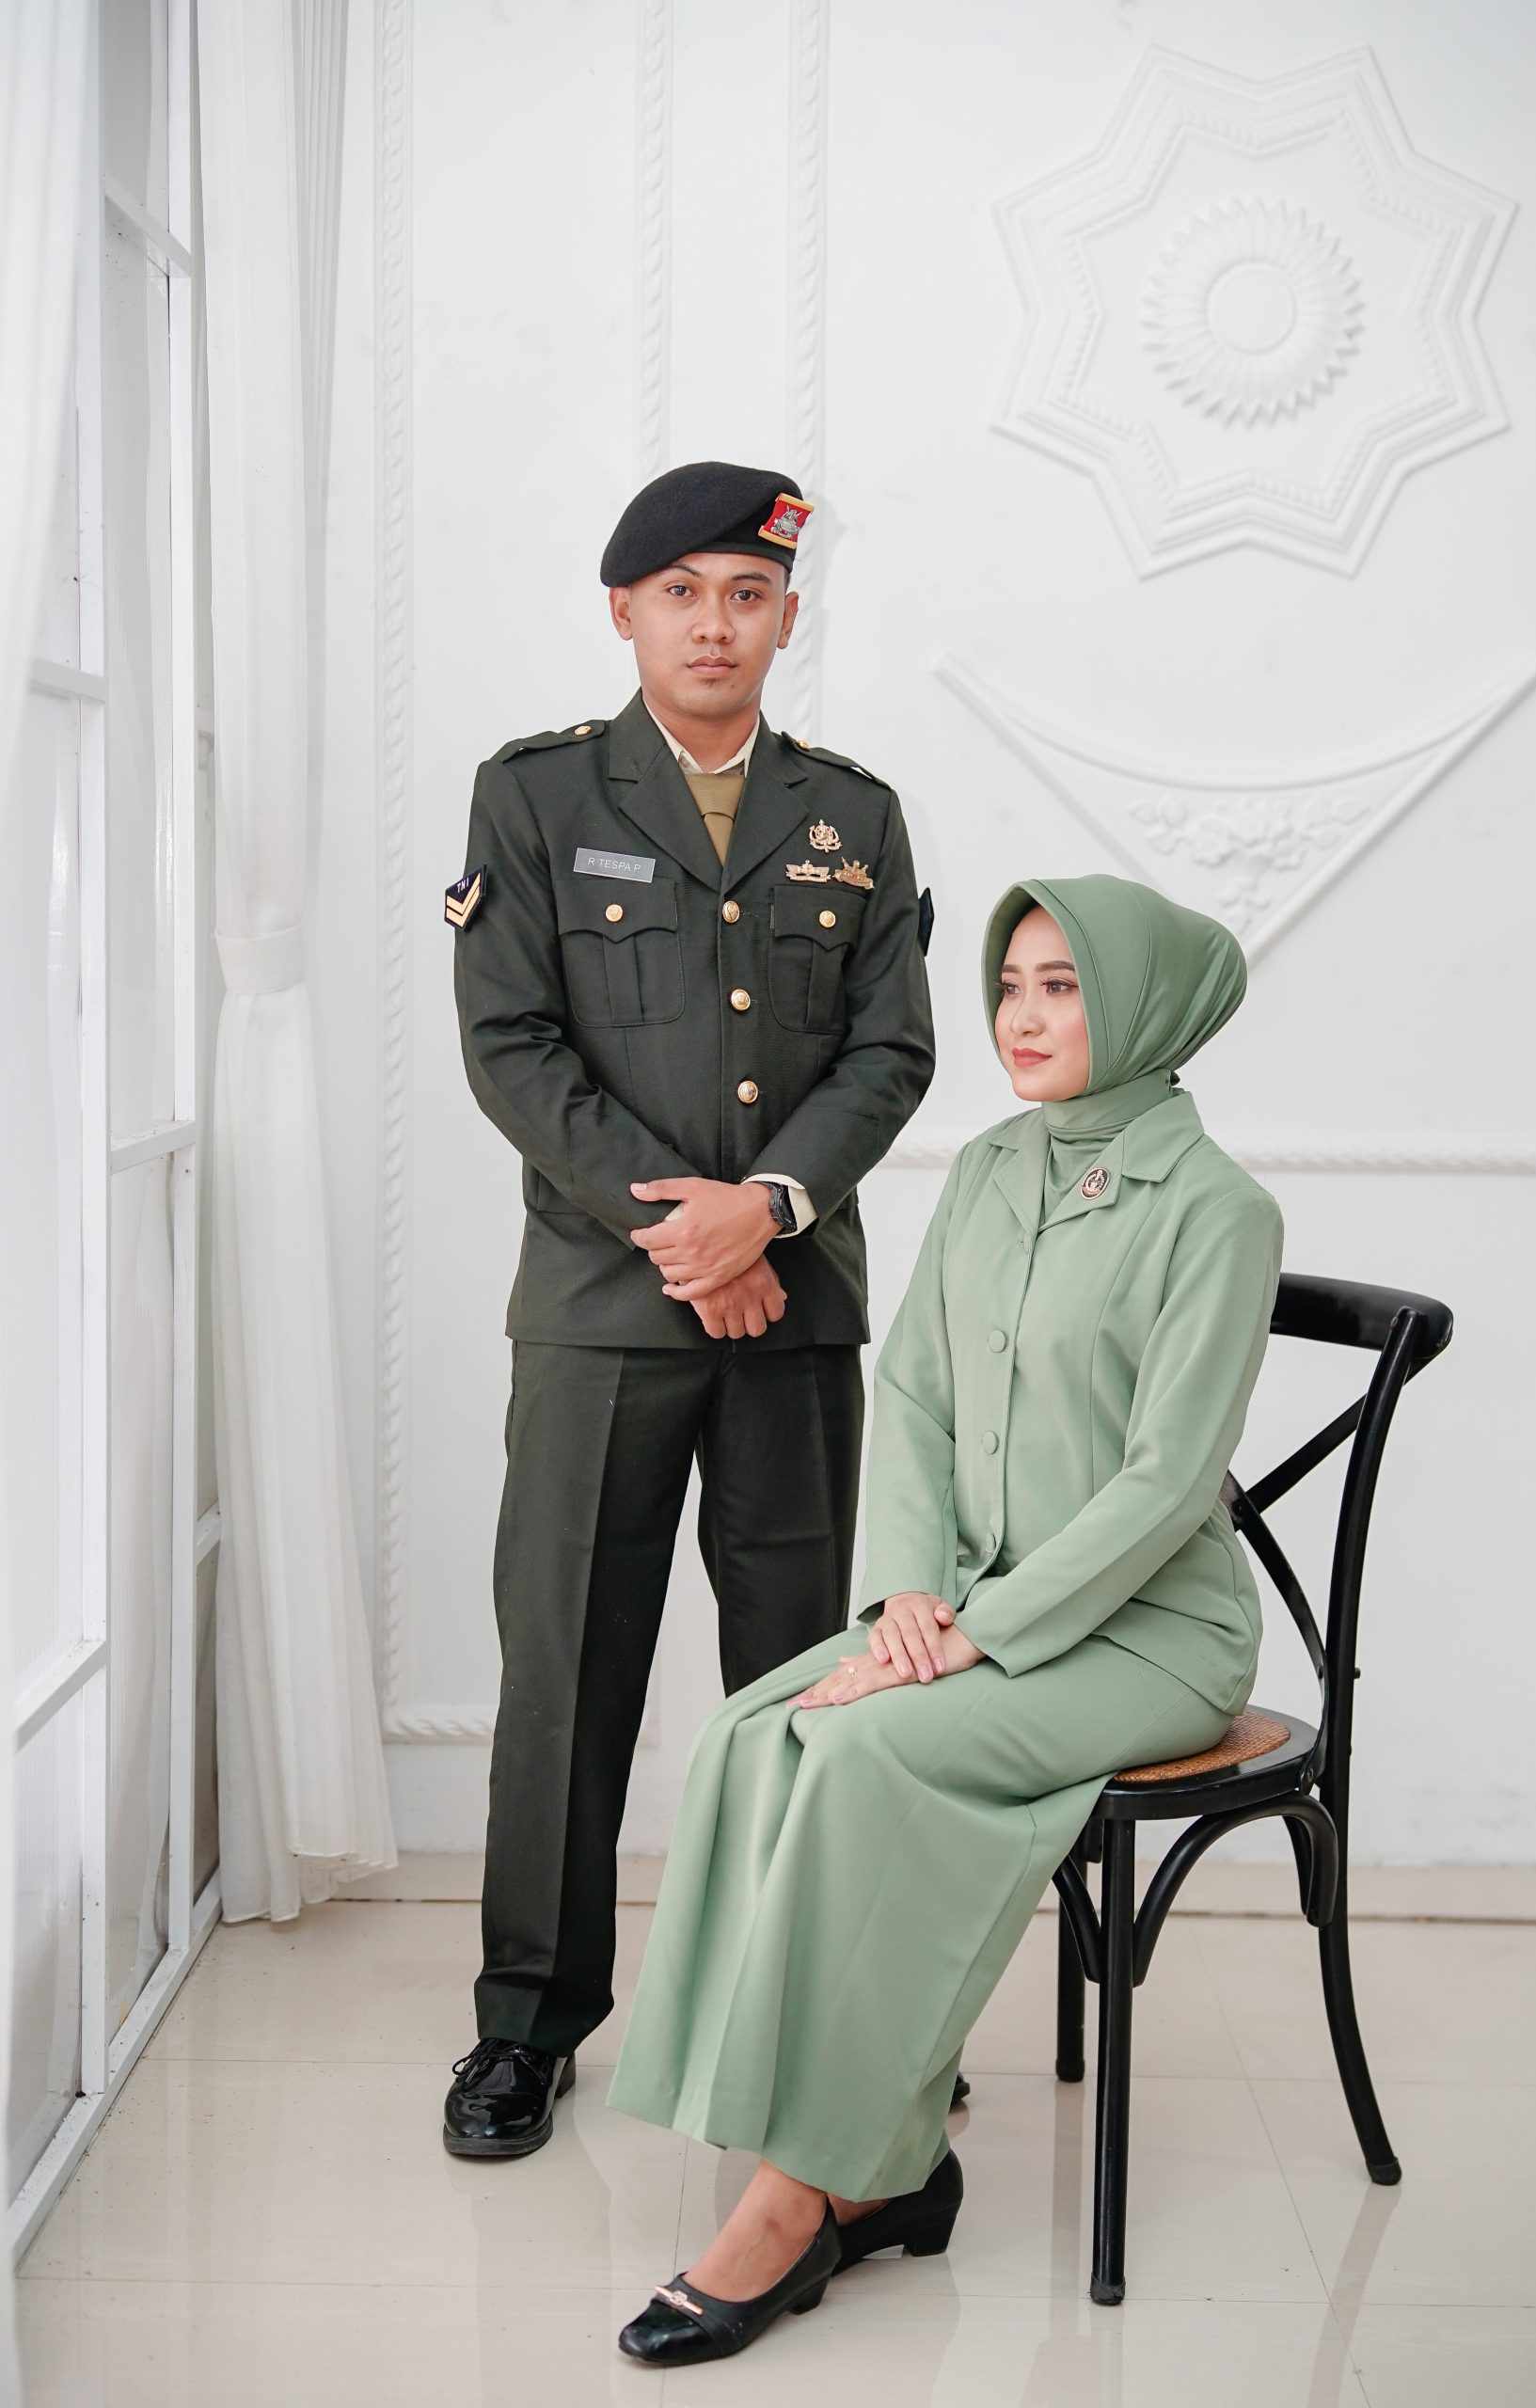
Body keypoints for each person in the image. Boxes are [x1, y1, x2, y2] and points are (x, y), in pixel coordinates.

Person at [606, 872, 1284, 2366]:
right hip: (967, 1601)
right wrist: (908, 1595)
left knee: (867, 1754)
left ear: (1146, 1007)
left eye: (1065, 986)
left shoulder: (1221, 1212)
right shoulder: (988, 1171)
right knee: (761, 1730)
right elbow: (913, 1392)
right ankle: (881, 2161)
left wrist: (975, 1636)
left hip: (1150, 1635)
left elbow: (1169, 1484)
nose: (1022, 1017)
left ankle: (805, 2194)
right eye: (1011, 985)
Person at [441, 461, 936, 2160]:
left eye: (748, 594)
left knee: (803, 1678)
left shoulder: (854, 817)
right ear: (625, 613)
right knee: (565, 1675)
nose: (714, 623)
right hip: (604, 1310)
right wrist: (692, 1235)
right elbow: (512, 1046)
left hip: (795, 1315)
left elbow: (889, 1049)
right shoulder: (535, 796)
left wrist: (768, 1212)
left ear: (787, 618)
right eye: (681, 594)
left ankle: (803, 2010)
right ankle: (527, 2026)